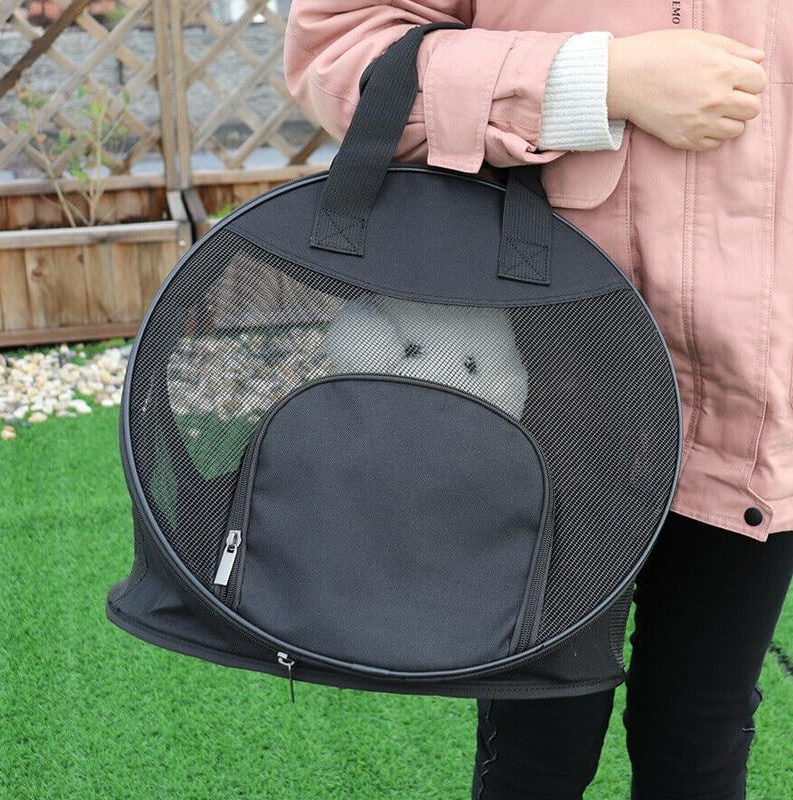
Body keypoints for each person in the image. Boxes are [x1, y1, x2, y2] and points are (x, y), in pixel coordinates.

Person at [283, 3, 793, 798]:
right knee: (536, 745)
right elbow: (340, 52)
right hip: (540, 392)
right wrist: (591, 81)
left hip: (764, 402)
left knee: (703, 735)